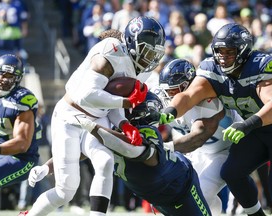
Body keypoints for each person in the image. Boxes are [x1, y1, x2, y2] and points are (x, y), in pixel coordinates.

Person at [19, 16, 166, 216]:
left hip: (98, 117)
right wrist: (126, 102)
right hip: (70, 116)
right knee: (66, 190)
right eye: (148, 52)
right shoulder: (110, 51)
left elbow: (111, 101)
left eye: (154, 54)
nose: (151, 59)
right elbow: (87, 96)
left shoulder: (137, 67)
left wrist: (123, 123)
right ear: (133, 43)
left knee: (105, 162)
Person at [27, 91, 212, 216]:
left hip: (181, 186)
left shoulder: (147, 132)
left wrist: (93, 127)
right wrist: (47, 167)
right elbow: (79, 152)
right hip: (155, 195)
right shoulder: (113, 127)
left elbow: (141, 154)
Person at [163, 23, 272, 216]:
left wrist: (247, 124)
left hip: (256, 125)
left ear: (244, 50)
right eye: (219, 51)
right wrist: (171, 111)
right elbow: (188, 96)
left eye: (229, 51)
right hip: (256, 130)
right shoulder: (212, 69)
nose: (223, 57)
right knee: (232, 172)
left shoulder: (259, 65)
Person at [154, 58, 242, 215]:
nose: (169, 96)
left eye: (173, 91)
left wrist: (162, 147)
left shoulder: (207, 101)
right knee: (179, 193)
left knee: (203, 194)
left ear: (187, 85)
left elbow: (197, 138)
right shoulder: (164, 100)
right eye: (167, 91)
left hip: (226, 150)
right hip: (198, 152)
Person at [0, 53, 40, 216]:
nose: (5, 79)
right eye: (2, 74)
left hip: (22, 159)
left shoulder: (22, 100)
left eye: (11, 76)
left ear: (18, 78)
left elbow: (21, 143)